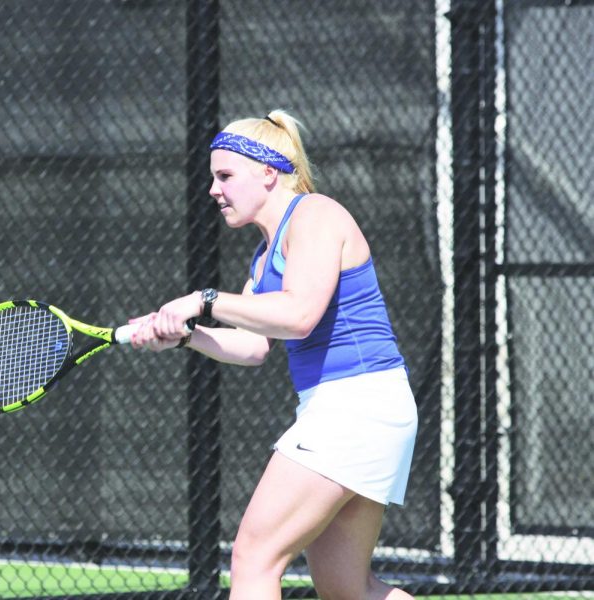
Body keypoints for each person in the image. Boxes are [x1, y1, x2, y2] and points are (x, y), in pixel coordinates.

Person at [129, 109, 418, 600]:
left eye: (225, 176)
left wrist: (203, 300)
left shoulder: (316, 215)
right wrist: (188, 336)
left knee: (254, 559)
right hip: (354, 410)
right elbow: (255, 347)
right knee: (348, 590)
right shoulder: (264, 258)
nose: (213, 190)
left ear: (267, 172)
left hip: (358, 406)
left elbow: (300, 314)